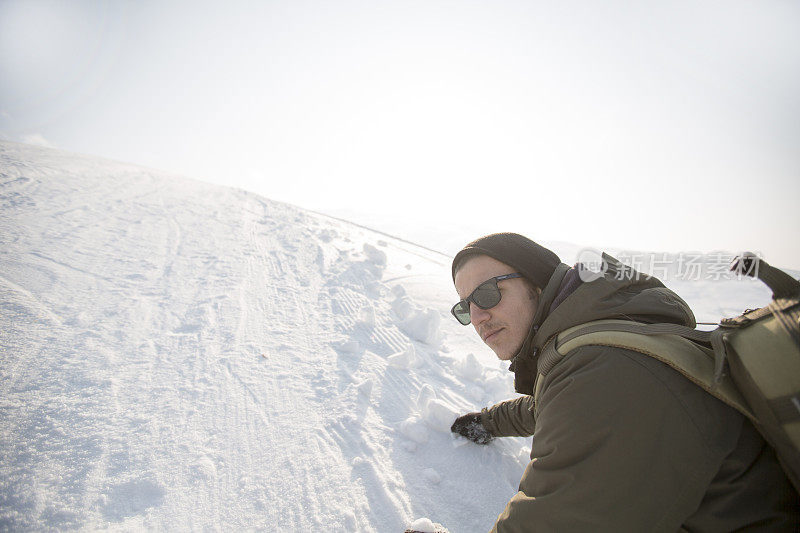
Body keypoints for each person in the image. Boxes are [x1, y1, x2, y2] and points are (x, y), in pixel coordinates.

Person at [448, 232, 799, 532]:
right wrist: (490, 421)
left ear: (536, 284)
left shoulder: (605, 369)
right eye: (465, 308)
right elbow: (556, 405)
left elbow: (554, 520)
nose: (478, 317)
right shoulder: (599, 338)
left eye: (486, 294)